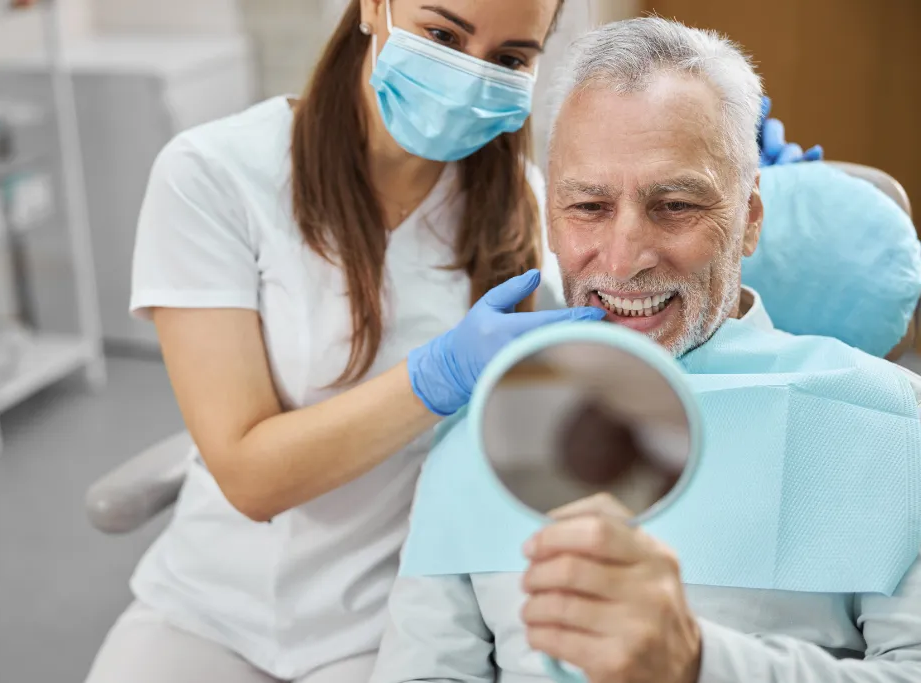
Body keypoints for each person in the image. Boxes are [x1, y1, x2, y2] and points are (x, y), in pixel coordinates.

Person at [370, 17, 921, 683]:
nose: (625, 258)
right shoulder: (482, 423)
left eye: (676, 204)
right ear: (551, 217)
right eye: (590, 207)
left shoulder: (892, 423)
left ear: (749, 218)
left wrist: (697, 663)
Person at [82, 1, 616, 682]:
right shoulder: (214, 175)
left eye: (510, 60)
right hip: (206, 608)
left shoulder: (524, 210)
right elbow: (249, 475)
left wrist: (754, 203)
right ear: (371, 7)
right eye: (442, 34)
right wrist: (436, 377)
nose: (468, 72)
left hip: (389, 626)